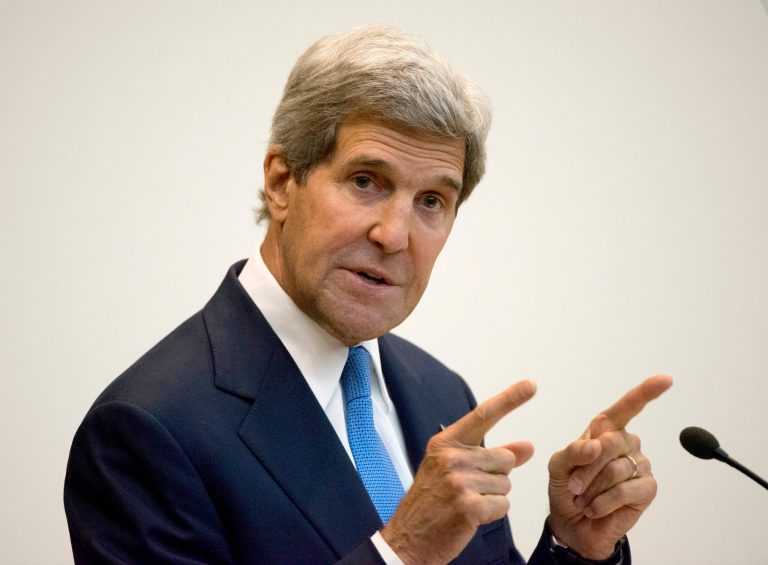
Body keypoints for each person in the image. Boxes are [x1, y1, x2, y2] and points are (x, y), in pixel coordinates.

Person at [64, 26, 672, 564]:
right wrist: (399, 554)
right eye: (365, 182)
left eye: (432, 200)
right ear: (281, 182)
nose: (395, 235)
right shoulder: (145, 429)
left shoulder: (441, 391)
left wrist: (576, 547)